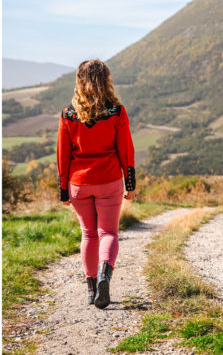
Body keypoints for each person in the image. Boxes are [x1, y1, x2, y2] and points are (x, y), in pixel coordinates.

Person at [57, 59, 136, 309]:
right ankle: (104, 274)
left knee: (89, 234)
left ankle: (92, 290)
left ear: (80, 81)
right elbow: (126, 150)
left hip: (79, 182)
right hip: (109, 180)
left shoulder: (68, 114)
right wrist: (130, 183)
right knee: (109, 233)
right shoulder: (116, 111)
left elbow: (63, 155)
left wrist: (63, 191)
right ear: (106, 80)